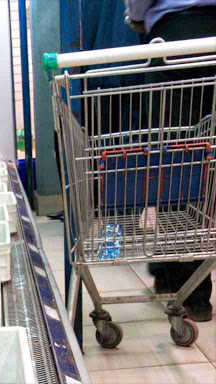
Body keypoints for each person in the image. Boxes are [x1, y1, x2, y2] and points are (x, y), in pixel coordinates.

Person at [126, 0, 216, 322]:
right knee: (211, 165)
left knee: (176, 161)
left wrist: (137, 17)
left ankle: (186, 286)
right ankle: (183, 280)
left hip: (174, 38)